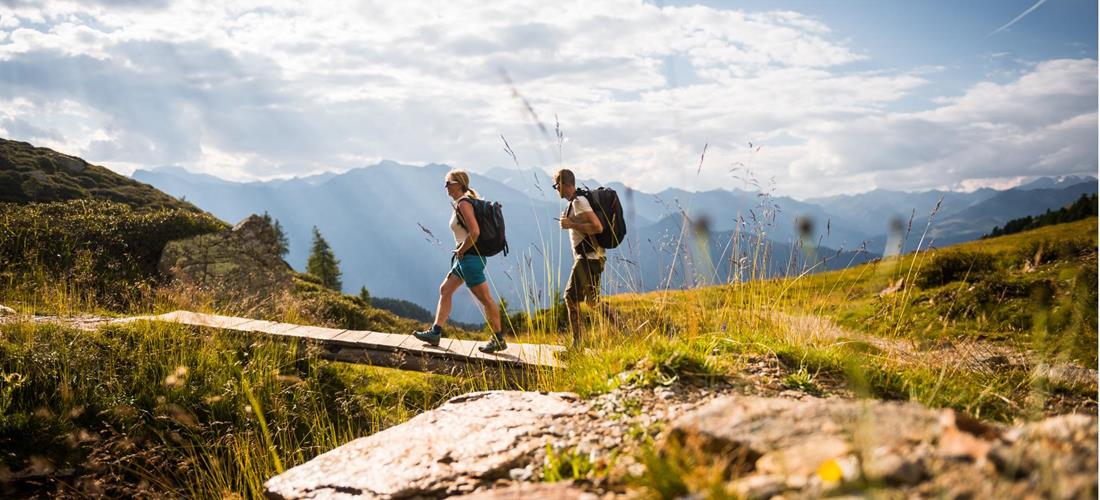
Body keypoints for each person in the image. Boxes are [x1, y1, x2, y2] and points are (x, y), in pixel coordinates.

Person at [412, 170, 507, 354]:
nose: (445, 187)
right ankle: (435, 332)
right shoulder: (460, 203)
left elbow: (475, 232)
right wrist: (460, 253)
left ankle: (498, 338)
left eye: (448, 183)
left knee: (485, 299)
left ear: (458, 184)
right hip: (464, 258)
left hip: (470, 258)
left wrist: (461, 250)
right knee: (445, 290)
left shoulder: (464, 203)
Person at [554, 168, 614, 347]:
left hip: (587, 258)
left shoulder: (579, 202)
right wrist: (570, 223)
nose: (556, 189)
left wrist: (570, 224)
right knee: (593, 302)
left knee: (570, 298)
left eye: (556, 185)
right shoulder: (576, 201)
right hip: (594, 257)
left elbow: (597, 227)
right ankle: (623, 328)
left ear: (563, 184)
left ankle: (577, 344)